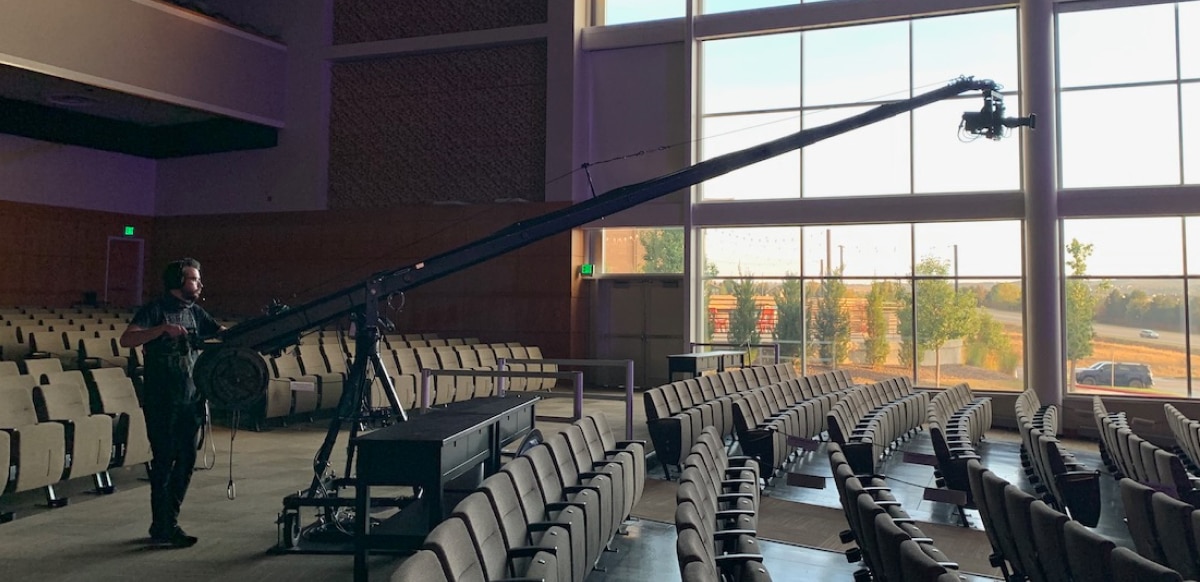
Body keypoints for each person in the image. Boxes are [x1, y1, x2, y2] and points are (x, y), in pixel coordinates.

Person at [120, 258, 224, 548]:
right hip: (162, 399)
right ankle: (165, 525)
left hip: (190, 397)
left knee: (187, 460)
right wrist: (161, 330)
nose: (199, 284)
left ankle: (166, 520)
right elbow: (126, 339)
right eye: (193, 279)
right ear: (178, 282)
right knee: (164, 461)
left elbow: (219, 332)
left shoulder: (196, 312)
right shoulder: (156, 308)